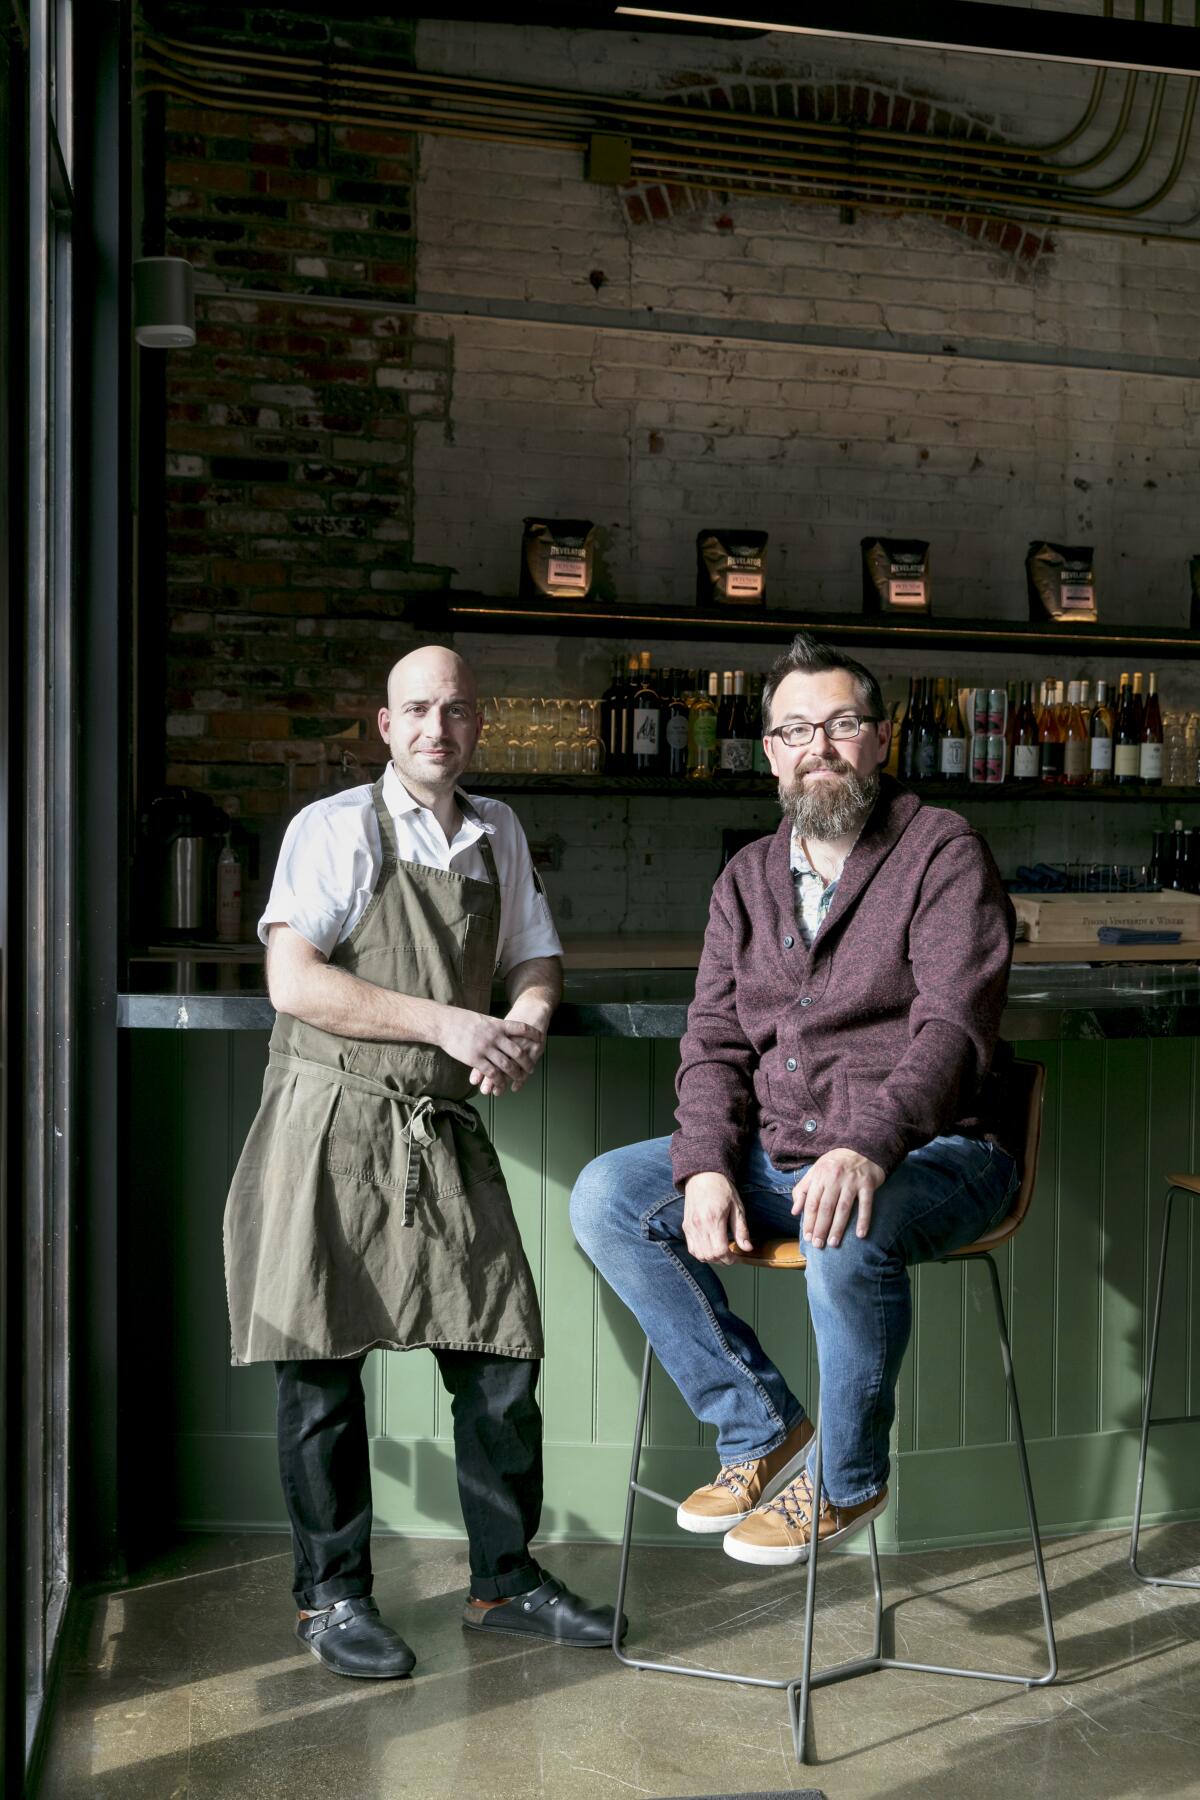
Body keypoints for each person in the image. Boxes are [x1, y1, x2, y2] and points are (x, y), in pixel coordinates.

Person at [570, 632, 1019, 1566]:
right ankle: (760, 1424)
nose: (820, 746)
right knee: (609, 1196)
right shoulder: (745, 878)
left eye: (842, 724)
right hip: (783, 1150)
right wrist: (700, 1165)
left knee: (842, 1220)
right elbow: (714, 1044)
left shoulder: (942, 850)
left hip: (936, 1155)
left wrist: (865, 1145)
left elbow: (955, 1029)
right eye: (796, 729)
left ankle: (849, 1479)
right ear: (770, 750)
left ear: (881, 738)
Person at [224, 645, 618, 1678]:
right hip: (332, 1116)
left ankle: (507, 1583)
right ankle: (333, 1601)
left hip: (437, 1125)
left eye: (455, 709)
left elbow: (535, 956)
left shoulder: (498, 835)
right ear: (386, 727)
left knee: (497, 1363)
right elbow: (294, 983)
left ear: (475, 724)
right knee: (320, 1368)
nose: (438, 726)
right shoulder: (336, 829)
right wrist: (450, 1021)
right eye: (416, 709)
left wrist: (526, 1017)